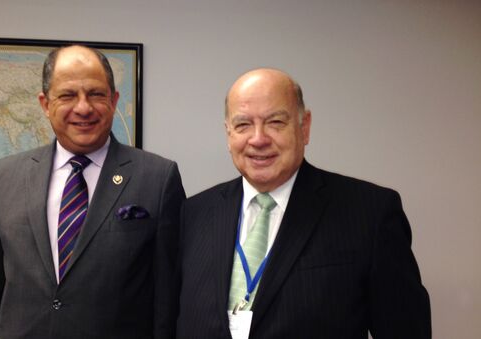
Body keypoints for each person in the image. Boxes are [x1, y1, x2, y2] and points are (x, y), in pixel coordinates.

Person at [176, 68, 431, 338]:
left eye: (275, 122)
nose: (258, 139)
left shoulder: (370, 213)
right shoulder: (194, 214)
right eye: (243, 125)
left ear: (304, 127)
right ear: (228, 134)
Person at [0, 45, 185, 339]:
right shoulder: (4, 177)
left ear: (114, 100)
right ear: (45, 104)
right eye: (68, 95)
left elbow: (168, 297)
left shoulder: (158, 178)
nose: (83, 107)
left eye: (96, 94)